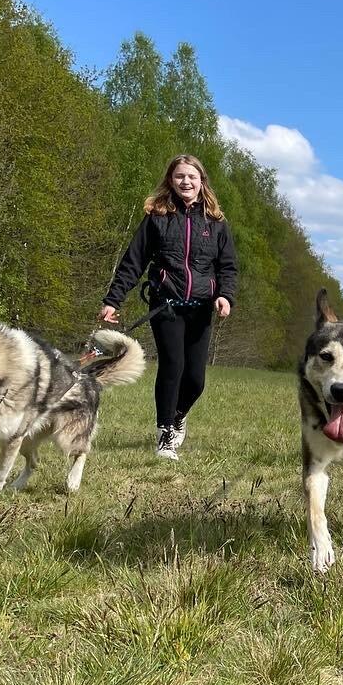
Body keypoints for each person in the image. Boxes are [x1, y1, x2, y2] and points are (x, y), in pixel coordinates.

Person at [100, 154, 237, 461]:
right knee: (172, 366)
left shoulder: (216, 222)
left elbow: (228, 266)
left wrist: (225, 295)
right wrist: (113, 300)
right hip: (167, 305)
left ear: (202, 181)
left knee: (195, 380)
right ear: (170, 181)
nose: (186, 182)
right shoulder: (157, 218)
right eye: (179, 177)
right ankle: (165, 434)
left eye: (191, 176)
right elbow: (133, 262)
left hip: (201, 308)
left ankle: (178, 416)